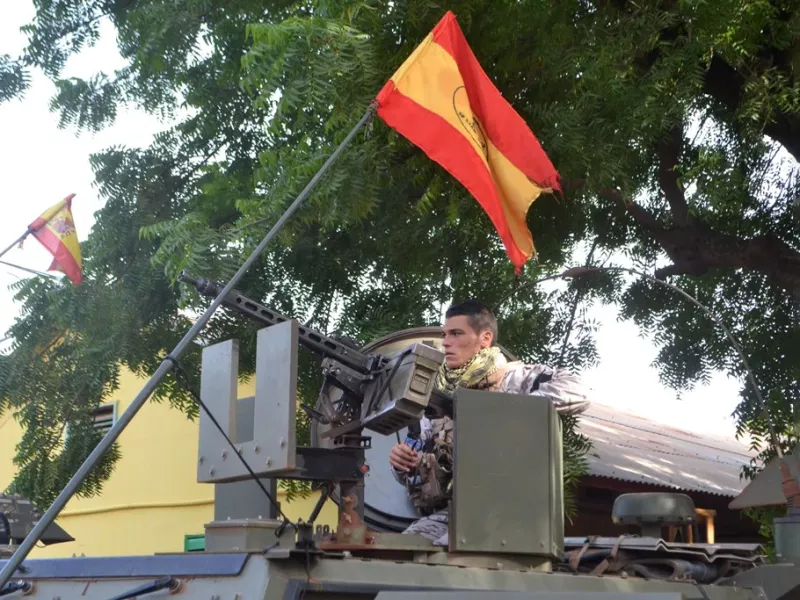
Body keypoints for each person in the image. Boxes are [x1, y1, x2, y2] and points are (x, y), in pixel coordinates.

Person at [388, 299, 589, 545]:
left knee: (448, 550)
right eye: (445, 334)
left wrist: (501, 413)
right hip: (454, 511)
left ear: (485, 338)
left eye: (456, 333)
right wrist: (402, 464)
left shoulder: (515, 378)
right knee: (403, 550)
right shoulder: (438, 398)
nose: (446, 342)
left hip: (510, 512)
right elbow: (419, 472)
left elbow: (578, 391)